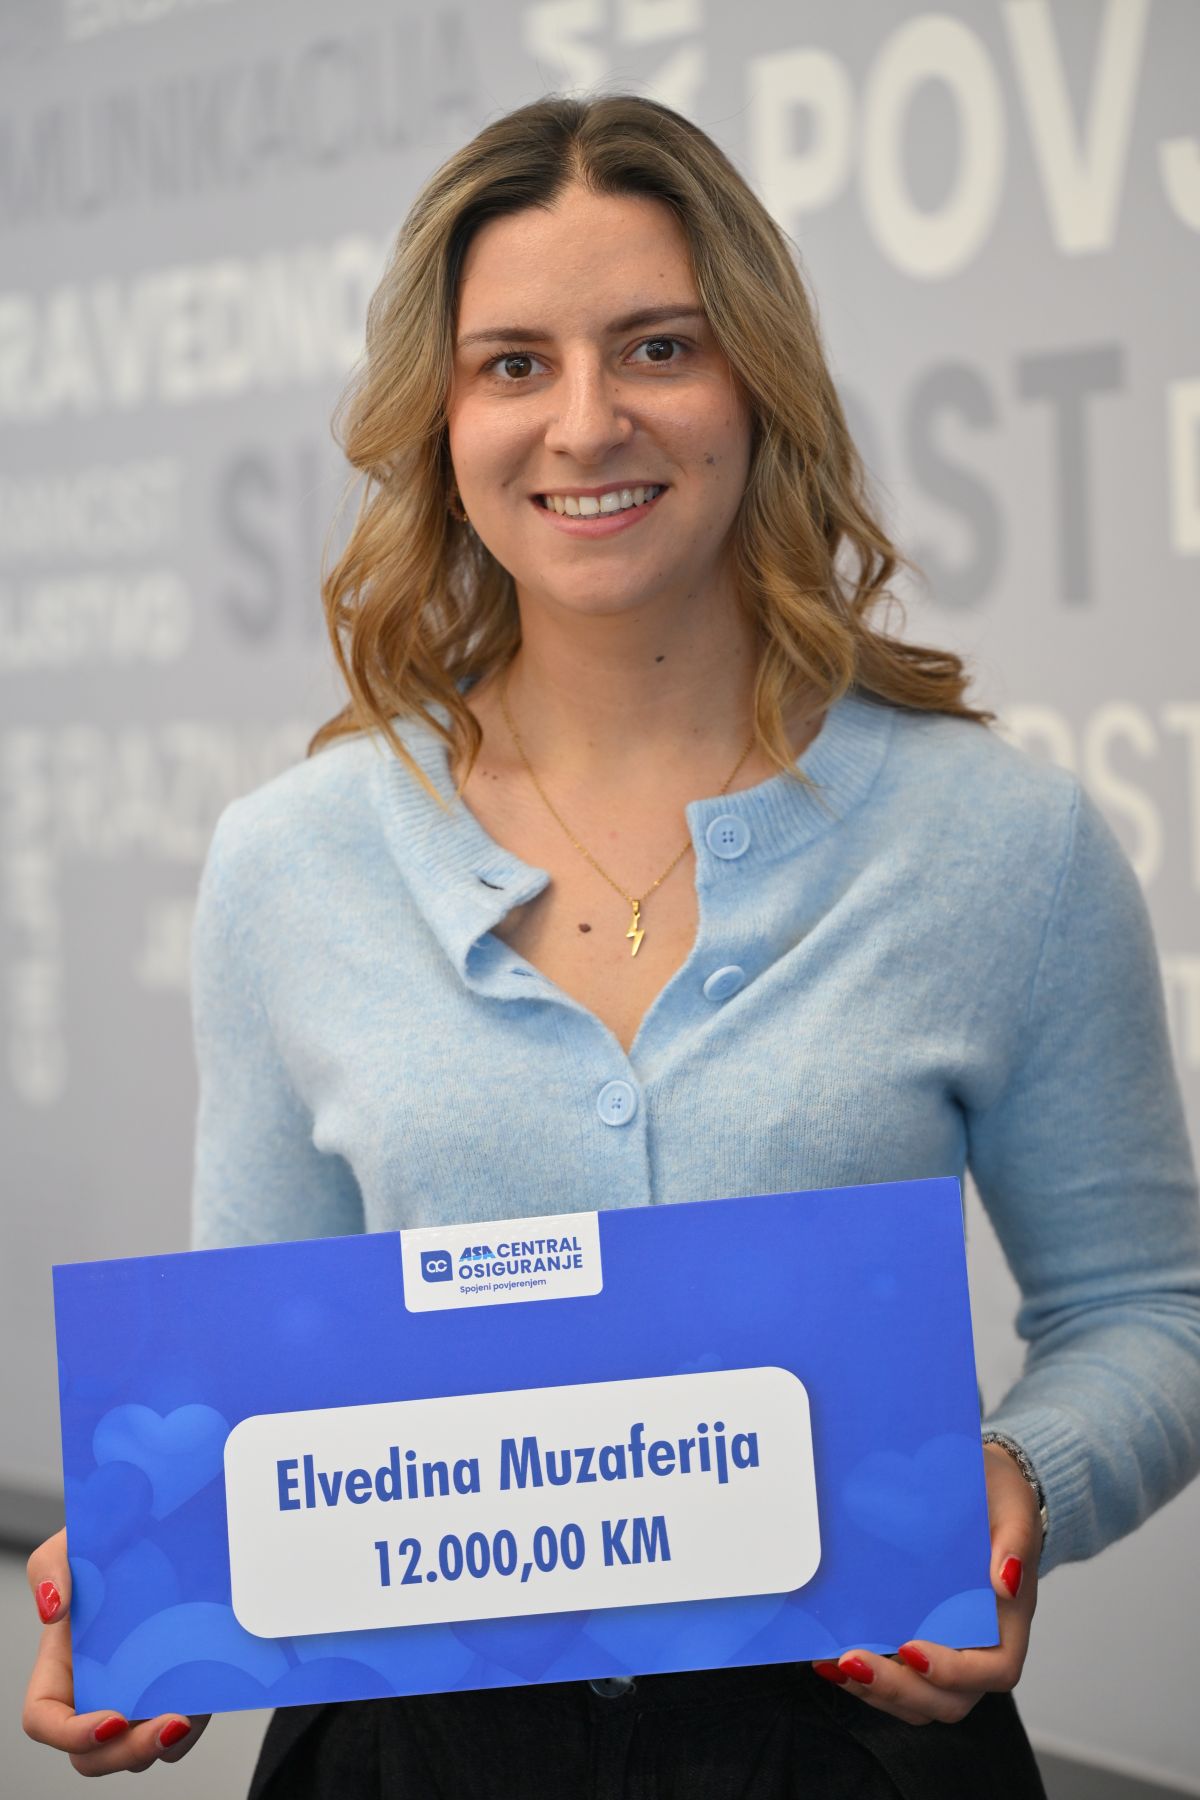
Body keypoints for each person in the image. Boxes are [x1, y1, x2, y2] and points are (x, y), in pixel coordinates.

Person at [22, 92, 1200, 1796]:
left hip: (856, 1754)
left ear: (757, 387)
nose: (586, 423)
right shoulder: (292, 863)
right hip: (411, 1761)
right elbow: (260, 1387)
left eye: (658, 346)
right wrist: (166, 1576)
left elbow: (1153, 1310)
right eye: (513, 364)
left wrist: (1021, 1478)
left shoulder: (1003, 842)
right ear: (440, 420)